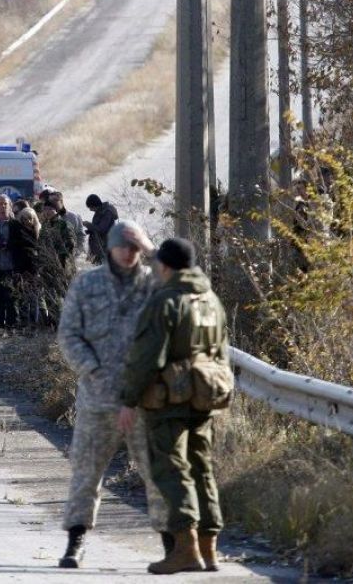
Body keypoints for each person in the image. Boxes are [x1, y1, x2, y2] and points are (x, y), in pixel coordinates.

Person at [55, 220, 168, 568]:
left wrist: (153, 253)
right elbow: (69, 335)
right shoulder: (87, 285)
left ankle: (171, 543)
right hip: (97, 397)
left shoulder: (154, 287)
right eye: (124, 247)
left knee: (157, 472)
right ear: (110, 247)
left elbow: (171, 328)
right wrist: (93, 369)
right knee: (86, 472)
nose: (129, 254)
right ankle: (76, 541)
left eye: (136, 249)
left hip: (144, 399)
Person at [119, 238, 229, 574]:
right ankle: (209, 550)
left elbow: (147, 356)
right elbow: (220, 352)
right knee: (201, 468)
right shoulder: (210, 299)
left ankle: (185, 549)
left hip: (169, 399)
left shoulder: (166, 301)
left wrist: (129, 399)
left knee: (172, 468)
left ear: (165, 266)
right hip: (204, 395)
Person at [0, 194, 37, 328]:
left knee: (12, 300)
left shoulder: (16, 225)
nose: (2, 206)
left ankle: (12, 327)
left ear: (10, 206)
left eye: (5, 204)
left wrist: (9, 245)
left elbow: (26, 245)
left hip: (12, 268)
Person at [84, 194, 119, 265]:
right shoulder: (99, 212)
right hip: (99, 246)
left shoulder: (107, 212)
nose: (90, 209)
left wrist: (88, 225)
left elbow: (102, 229)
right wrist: (89, 230)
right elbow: (97, 228)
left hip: (106, 246)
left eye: (90, 207)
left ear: (95, 204)